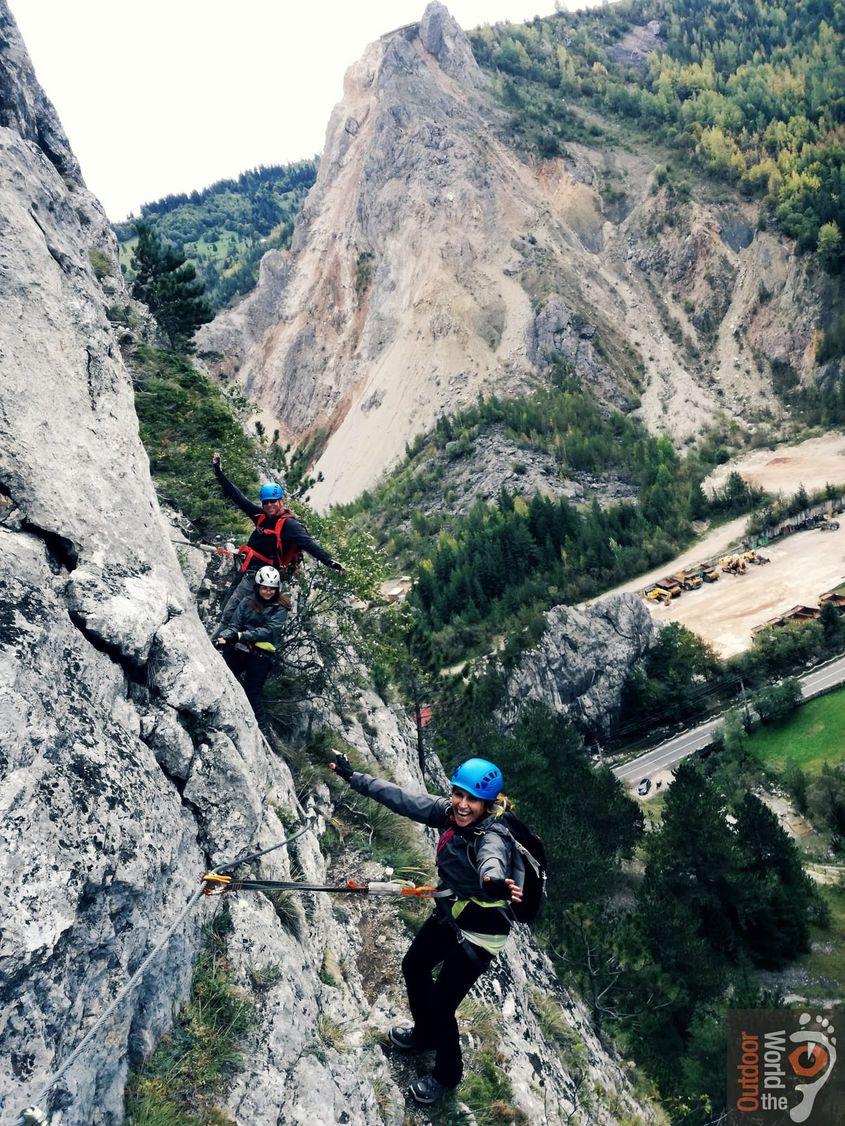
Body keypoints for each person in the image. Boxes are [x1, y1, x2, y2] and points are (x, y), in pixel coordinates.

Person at [329, 754, 523, 1105]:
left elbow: (490, 863)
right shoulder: (451, 813)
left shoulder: (493, 836)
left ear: (488, 803)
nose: (463, 805)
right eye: (458, 794)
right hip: (452, 914)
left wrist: (492, 880)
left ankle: (447, 1076)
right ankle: (424, 1036)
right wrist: (353, 777)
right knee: (414, 966)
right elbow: (403, 799)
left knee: (442, 1004)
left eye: (472, 800)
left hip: (481, 933)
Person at [211, 451, 343, 627]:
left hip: (262, 576)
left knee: (231, 610)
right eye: (266, 502)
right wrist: (219, 473)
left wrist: (331, 563)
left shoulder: (289, 525)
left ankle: (220, 641)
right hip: (247, 569)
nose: (270, 505)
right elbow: (238, 497)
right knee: (229, 603)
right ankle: (226, 637)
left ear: (281, 501)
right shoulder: (261, 515)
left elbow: (309, 544)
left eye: (273, 501)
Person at [214, 566, 289, 732]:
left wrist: (240, 636)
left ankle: (263, 730)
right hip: (240, 650)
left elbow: (268, 631)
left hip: (261, 656)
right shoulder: (247, 602)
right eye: (264, 588)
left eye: (271, 589)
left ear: (277, 589)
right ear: (258, 587)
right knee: (224, 677)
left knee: (251, 693)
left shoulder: (280, 608)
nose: (268, 592)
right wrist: (225, 636)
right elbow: (234, 624)